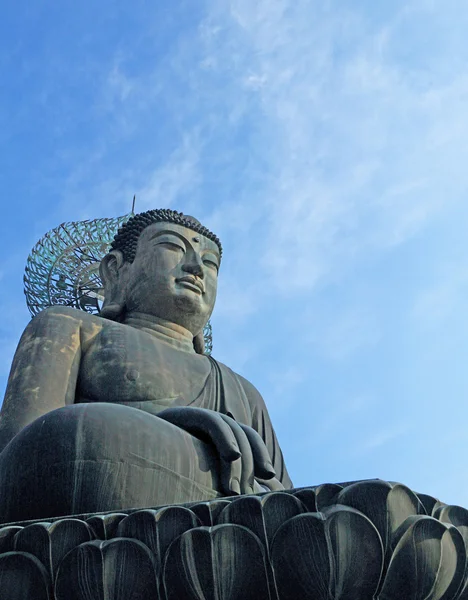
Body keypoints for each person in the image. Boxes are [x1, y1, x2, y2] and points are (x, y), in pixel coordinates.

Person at [0, 209, 292, 522]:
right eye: (173, 248)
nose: (196, 268)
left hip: (223, 506)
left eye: (210, 263)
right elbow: (23, 450)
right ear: (115, 270)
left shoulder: (243, 391)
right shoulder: (69, 325)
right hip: (101, 469)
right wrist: (172, 424)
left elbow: (281, 493)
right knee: (77, 432)